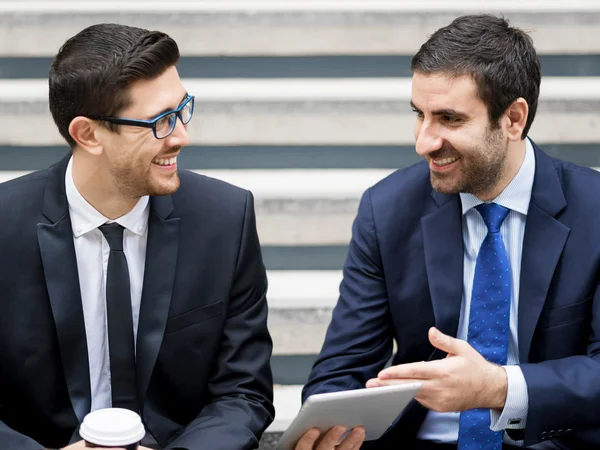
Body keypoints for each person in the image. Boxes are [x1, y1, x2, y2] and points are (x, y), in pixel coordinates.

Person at [296, 14, 600, 450]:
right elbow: (344, 366)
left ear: (513, 119)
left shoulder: (594, 211)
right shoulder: (387, 209)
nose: (424, 141)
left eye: (449, 119)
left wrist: (499, 388)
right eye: (419, 115)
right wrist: (329, 425)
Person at [0, 23, 274, 450]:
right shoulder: (4, 224)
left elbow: (244, 392)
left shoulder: (226, 218)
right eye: (160, 122)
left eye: (183, 109)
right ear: (88, 134)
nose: (182, 135)